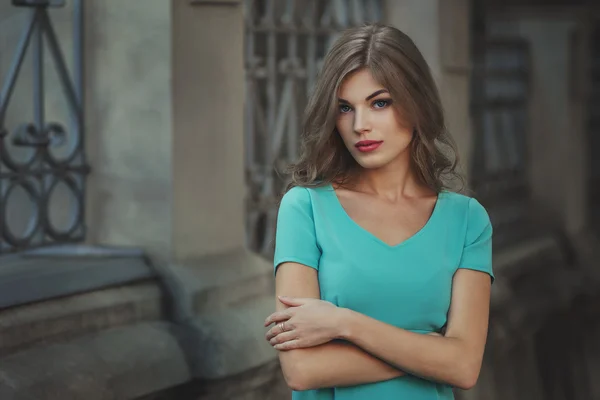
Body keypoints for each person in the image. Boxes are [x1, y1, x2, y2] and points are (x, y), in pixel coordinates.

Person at [263, 23, 493, 400]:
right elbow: (303, 370)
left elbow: (465, 368)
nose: (360, 125)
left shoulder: (467, 221)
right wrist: (431, 350)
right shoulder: (305, 209)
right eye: (344, 108)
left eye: (379, 102)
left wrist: (343, 323)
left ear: (415, 102)